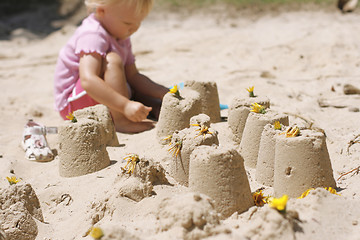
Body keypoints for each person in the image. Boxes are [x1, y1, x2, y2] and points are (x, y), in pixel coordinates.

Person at [54, 0, 168, 133]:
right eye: (128, 23)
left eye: (139, 22)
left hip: (97, 94)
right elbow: (88, 80)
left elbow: (133, 76)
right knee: (112, 59)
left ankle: (152, 107)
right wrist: (125, 105)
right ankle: (120, 121)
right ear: (101, 11)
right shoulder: (92, 34)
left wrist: (162, 92)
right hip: (73, 105)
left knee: (140, 91)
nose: (134, 28)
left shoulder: (120, 32)